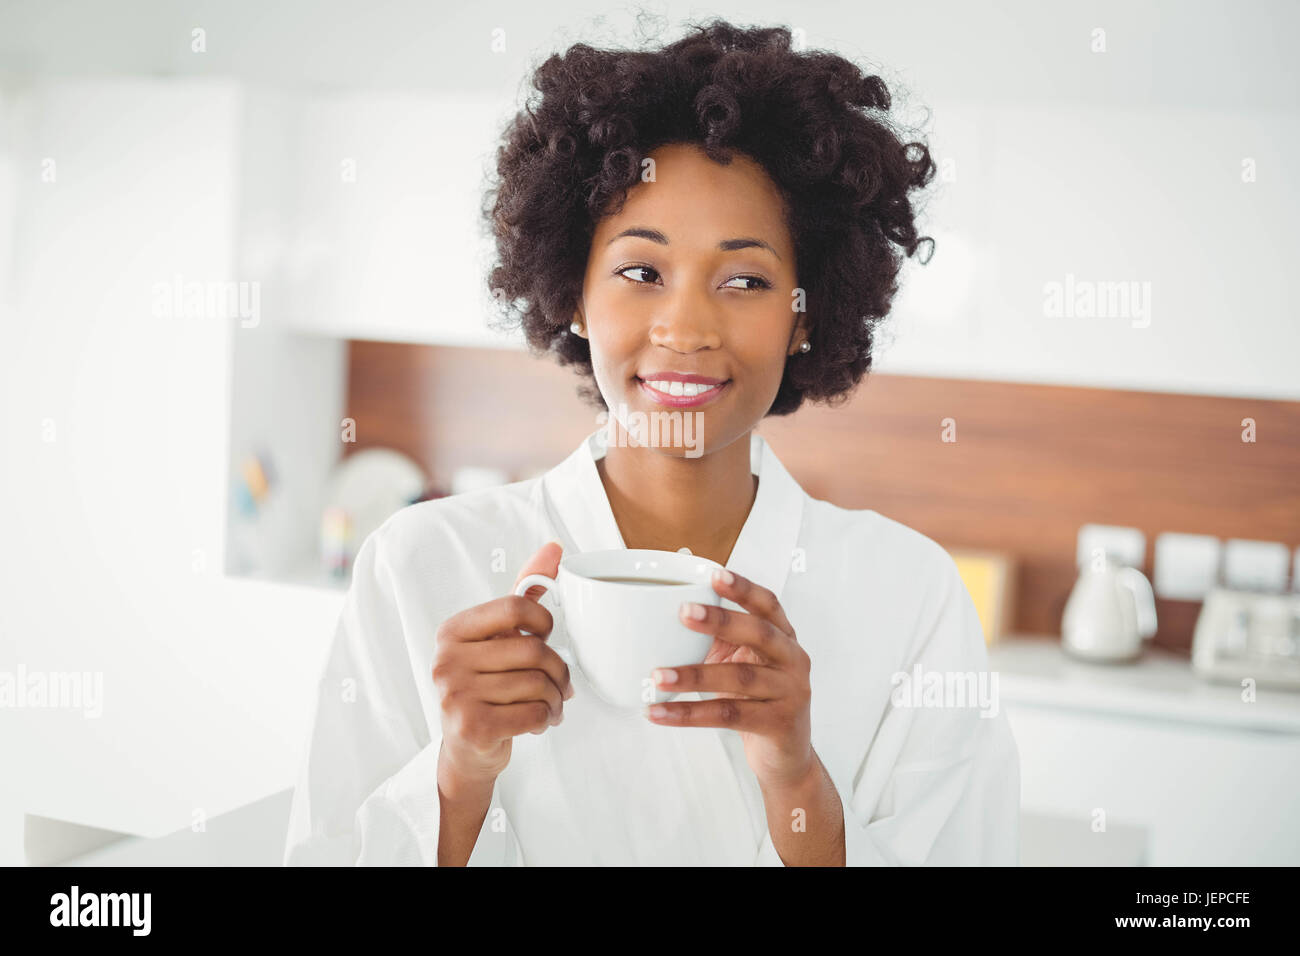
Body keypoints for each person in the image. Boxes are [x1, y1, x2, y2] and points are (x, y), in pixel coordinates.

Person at [283, 18, 1019, 866]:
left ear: (805, 315)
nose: (686, 328)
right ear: (572, 292)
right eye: (641, 273)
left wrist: (794, 780)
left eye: (746, 280)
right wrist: (459, 777)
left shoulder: (909, 594)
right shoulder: (420, 565)